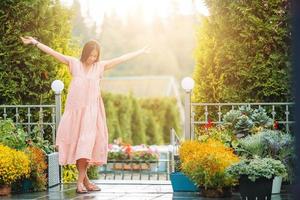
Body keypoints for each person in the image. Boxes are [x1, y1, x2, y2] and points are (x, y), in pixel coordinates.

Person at [20, 36, 149, 194]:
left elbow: (121, 59)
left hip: (92, 112)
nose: (93, 58)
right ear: (85, 53)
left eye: (95, 56)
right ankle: (86, 182)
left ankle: (80, 183)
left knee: (85, 145)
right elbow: (53, 53)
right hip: (75, 111)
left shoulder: (100, 66)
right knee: (78, 145)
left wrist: (140, 52)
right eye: (91, 55)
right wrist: (35, 42)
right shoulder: (74, 63)